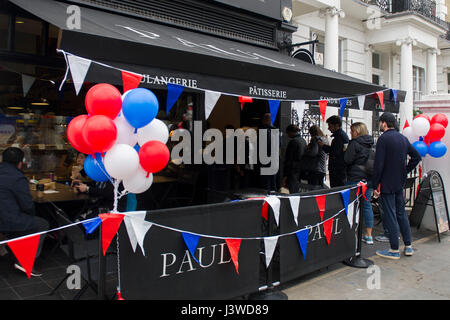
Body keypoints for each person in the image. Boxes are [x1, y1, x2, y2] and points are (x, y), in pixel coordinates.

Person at [372, 112, 421, 259]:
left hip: (387, 183)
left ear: (385, 123)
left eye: (380, 122)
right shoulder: (402, 138)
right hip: (399, 182)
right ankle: (408, 246)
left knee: (391, 215)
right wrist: (405, 171)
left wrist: (375, 185)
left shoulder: (383, 139)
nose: (379, 125)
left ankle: (394, 249)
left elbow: (378, 165)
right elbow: (416, 157)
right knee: (401, 213)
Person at [0, 147, 49, 277]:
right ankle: (24, 261)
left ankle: (8, 246)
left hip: (4, 218)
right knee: (41, 224)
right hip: (7, 220)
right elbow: (27, 205)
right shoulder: (17, 177)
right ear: (20, 162)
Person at [344, 122, 375, 244]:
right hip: (368, 179)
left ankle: (348, 231)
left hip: (354, 178)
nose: (350, 134)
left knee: (350, 204)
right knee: (366, 206)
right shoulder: (372, 143)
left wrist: (345, 151)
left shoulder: (355, 143)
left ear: (356, 132)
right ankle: (369, 235)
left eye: (351, 131)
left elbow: (347, 159)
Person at [318, 115, 349, 187]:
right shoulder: (340, 136)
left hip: (338, 169)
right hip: (338, 169)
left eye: (330, 126)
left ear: (337, 125)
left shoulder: (339, 137)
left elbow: (335, 151)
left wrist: (323, 146)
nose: (328, 128)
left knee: (336, 188)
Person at [282, 124, 307, 193]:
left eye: (287, 133)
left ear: (291, 132)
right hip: (299, 168)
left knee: (290, 189)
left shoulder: (293, 142)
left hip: (292, 169)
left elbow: (289, 158)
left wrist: (285, 174)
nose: (287, 135)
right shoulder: (303, 140)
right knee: (296, 188)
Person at [258, 113, 278, 192]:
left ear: (264, 120)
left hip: (265, 159)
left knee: (265, 183)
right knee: (273, 181)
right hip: (274, 159)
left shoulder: (263, 130)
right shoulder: (276, 131)